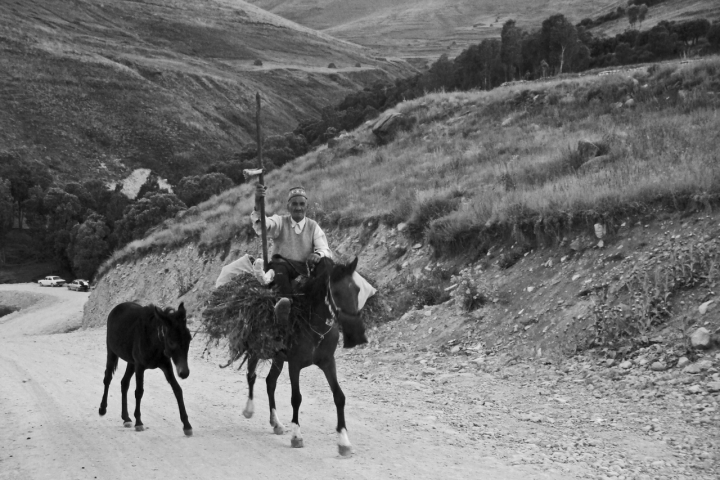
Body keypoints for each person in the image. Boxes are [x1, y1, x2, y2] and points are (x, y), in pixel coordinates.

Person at [251, 184, 332, 324]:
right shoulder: (280, 221)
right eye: (294, 204)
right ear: (288, 207)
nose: (298, 207)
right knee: (278, 265)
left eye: (301, 204)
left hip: (304, 270)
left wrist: (318, 254)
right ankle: (285, 303)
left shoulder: (313, 226)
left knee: (326, 263)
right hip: (283, 269)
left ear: (306, 206)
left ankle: (325, 303)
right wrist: (258, 202)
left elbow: (325, 249)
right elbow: (264, 225)